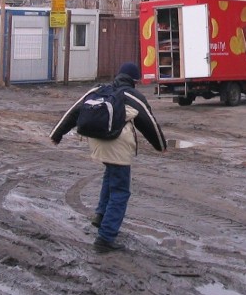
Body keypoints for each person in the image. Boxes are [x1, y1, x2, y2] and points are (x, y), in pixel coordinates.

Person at [50, 62, 167, 253]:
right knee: (121, 190)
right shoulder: (133, 96)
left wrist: (57, 134)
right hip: (117, 144)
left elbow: (74, 110)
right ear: (135, 80)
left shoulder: (99, 89)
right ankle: (106, 237)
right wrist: (160, 145)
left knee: (110, 174)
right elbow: (148, 123)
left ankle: (101, 215)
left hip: (97, 141)